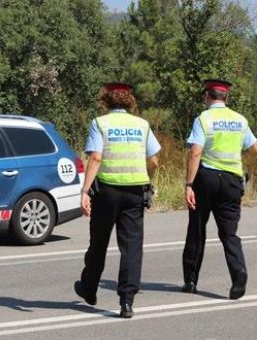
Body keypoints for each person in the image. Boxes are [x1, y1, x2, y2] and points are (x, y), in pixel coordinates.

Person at [74, 82, 160, 318]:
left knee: (98, 243)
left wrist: (84, 191)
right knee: (131, 247)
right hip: (135, 192)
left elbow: (96, 158)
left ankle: (89, 289)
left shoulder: (100, 123)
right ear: (129, 101)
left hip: (107, 193)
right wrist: (148, 182)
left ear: (106, 100)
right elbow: (154, 161)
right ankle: (127, 301)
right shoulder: (142, 125)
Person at [181, 79, 257, 299]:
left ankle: (190, 280)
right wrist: (237, 155)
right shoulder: (240, 120)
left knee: (197, 230)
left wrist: (189, 183)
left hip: (206, 178)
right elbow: (255, 149)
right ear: (226, 97)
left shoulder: (203, 119)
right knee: (229, 233)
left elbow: (196, 152)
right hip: (232, 181)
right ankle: (239, 273)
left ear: (207, 96)